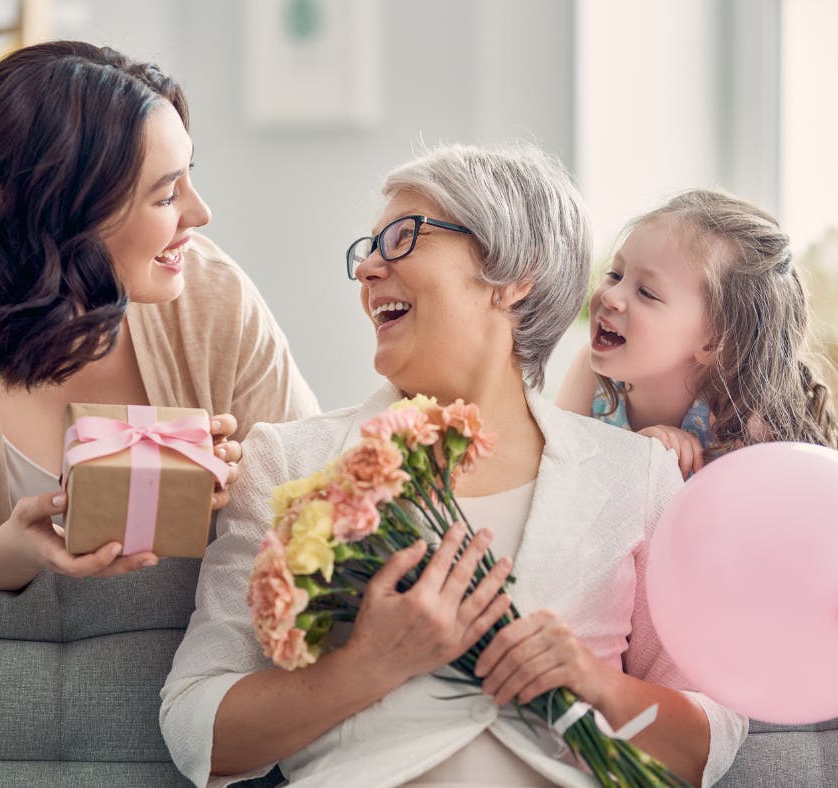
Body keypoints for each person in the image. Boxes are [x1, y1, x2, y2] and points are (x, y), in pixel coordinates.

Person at [160, 144, 747, 788]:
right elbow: (197, 725)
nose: (368, 269)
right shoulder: (288, 461)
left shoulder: (637, 475)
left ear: (516, 274)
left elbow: (708, 741)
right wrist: (366, 667)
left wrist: (595, 682)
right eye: (368, 247)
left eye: (404, 237)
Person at [0, 41, 319, 591]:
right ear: (67, 216)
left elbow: (313, 499)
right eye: (167, 195)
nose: (201, 213)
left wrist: (244, 487)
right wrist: (18, 550)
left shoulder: (214, 298)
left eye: (187, 176)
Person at [555, 189, 837, 477]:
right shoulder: (593, 376)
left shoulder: (740, 424)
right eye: (615, 275)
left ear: (715, 342)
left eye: (646, 293)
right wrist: (636, 459)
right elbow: (556, 480)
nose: (611, 296)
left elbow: (751, 519)